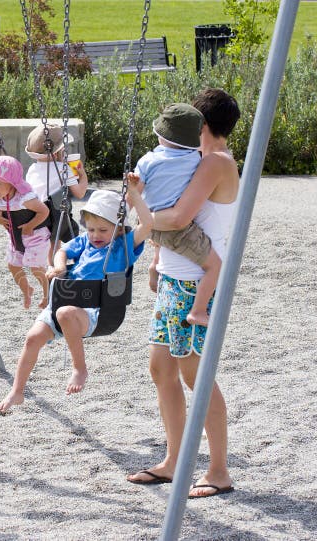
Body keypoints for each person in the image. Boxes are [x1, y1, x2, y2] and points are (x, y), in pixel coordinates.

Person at [126, 88, 240, 499]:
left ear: (202, 126)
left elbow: (177, 217)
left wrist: (135, 216)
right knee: (161, 369)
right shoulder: (194, 159)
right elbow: (169, 204)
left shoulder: (214, 162)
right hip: (176, 279)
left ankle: (219, 470)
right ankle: (174, 461)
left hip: (196, 286)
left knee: (196, 375)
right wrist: (156, 259)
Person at [0, 186, 151, 414]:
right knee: (32, 338)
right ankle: (17, 391)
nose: (96, 235)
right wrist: (59, 267)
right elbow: (63, 251)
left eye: (103, 230)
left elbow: (147, 225)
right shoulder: (85, 241)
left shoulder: (123, 245)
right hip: (65, 300)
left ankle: (79, 368)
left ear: (118, 229)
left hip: (97, 311)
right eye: (91, 229)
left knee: (65, 313)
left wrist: (136, 196)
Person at [129, 103, 222, 327]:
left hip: (150, 223)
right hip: (177, 230)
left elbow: (131, 201)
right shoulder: (195, 159)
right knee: (215, 266)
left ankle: (155, 264)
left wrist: (131, 190)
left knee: (160, 230)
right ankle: (199, 311)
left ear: (161, 134)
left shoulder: (147, 161)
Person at [0, 155, 51, 309]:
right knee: (13, 265)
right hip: (15, 238)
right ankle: (26, 290)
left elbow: (44, 211)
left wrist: (30, 225)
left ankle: (47, 295)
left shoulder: (25, 198)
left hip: (35, 237)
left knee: (36, 269)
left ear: (12, 183)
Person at [24, 123, 88, 265]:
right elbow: (80, 193)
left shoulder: (32, 169)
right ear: (56, 152)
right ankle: (56, 270)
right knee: (57, 242)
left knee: (50, 243)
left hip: (36, 216)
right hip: (56, 215)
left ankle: (50, 267)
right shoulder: (64, 168)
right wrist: (82, 174)